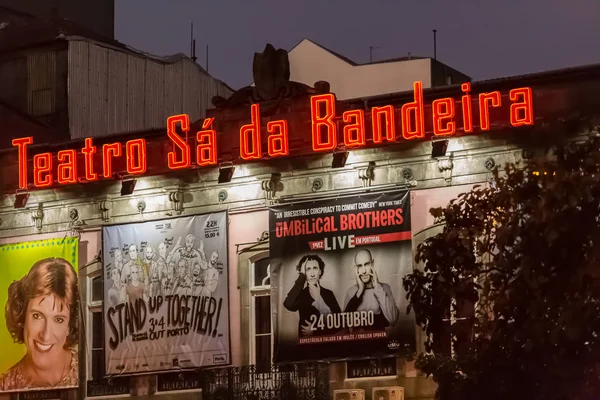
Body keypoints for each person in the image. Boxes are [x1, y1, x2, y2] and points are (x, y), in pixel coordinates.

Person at [0, 258, 79, 391]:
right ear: (22, 316)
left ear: (70, 326)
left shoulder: (88, 372)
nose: (46, 334)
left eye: (58, 319)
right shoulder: (4, 387)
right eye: (37, 316)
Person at [283, 255, 341, 337]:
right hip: (306, 346)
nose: (312, 274)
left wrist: (315, 331)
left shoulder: (328, 294)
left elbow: (338, 323)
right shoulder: (301, 295)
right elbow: (288, 304)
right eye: (308, 269)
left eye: (315, 268)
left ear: (320, 271)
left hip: (326, 345)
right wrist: (301, 276)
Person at [343, 249, 399, 330]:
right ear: (356, 268)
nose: (364, 271)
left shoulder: (385, 288)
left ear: (372, 263)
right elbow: (344, 323)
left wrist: (377, 287)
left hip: (379, 341)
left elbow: (393, 320)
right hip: (358, 342)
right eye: (360, 266)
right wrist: (360, 290)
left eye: (366, 264)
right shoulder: (351, 291)